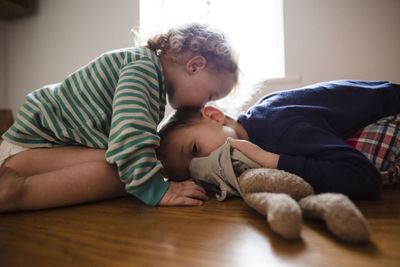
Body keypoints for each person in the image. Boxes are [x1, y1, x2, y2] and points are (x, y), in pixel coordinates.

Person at [0, 23, 239, 212]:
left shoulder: (146, 70)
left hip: (40, 153)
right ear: (195, 66)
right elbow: (129, 137)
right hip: (27, 152)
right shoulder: (144, 69)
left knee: (129, 167)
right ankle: (16, 193)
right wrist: (159, 190)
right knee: (123, 170)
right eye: (209, 95)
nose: (203, 105)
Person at [156, 80, 400, 200]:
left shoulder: (276, 125)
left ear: (214, 116)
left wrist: (269, 160)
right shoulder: (258, 124)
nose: (205, 164)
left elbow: (363, 178)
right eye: (194, 173)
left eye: (196, 149)